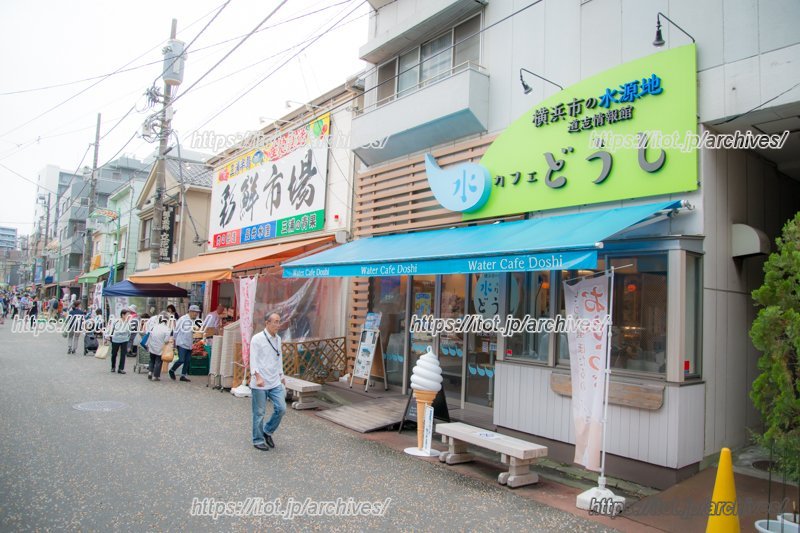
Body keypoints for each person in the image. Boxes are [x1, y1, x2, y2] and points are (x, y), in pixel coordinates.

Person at [249, 312, 286, 451]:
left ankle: (267, 431)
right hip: (260, 382)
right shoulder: (257, 339)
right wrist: (257, 376)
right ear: (267, 323)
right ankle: (257, 440)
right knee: (259, 413)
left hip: (274, 380)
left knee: (281, 408)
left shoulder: (278, 339)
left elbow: (279, 357)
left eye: (279, 322)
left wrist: (282, 375)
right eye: (275, 322)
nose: (278, 325)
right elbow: (253, 359)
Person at [169, 305, 200, 382]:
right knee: (181, 360)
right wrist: (174, 341)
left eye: (197, 312)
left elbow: (196, 331)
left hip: (189, 343)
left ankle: (183, 376)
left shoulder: (196, 320)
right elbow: (176, 330)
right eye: (195, 312)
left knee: (188, 360)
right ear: (190, 311)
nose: (196, 314)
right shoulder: (182, 319)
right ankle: (172, 370)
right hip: (181, 342)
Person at [146, 312, 172, 382]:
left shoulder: (155, 327)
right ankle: (156, 376)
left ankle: (150, 372)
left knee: (152, 360)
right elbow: (166, 340)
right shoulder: (167, 329)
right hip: (160, 348)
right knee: (158, 362)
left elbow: (150, 335)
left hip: (152, 345)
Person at [107, 309, 131, 374]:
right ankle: (113, 367)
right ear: (123, 315)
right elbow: (111, 328)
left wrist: (128, 337)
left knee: (123, 354)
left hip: (124, 339)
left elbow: (130, 330)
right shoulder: (116, 321)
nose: (128, 316)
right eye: (127, 315)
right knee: (114, 353)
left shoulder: (128, 322)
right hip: (116, 339)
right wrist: (108, 336)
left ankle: (121, 368)